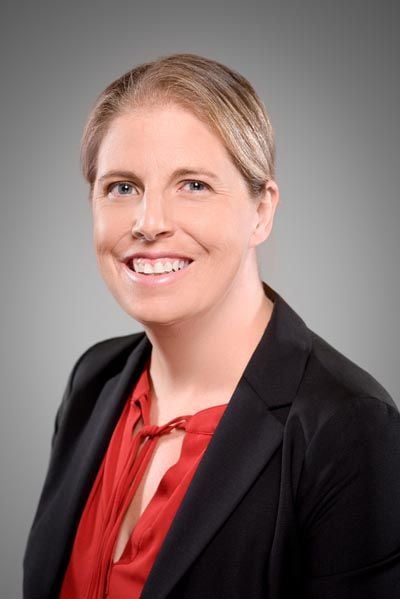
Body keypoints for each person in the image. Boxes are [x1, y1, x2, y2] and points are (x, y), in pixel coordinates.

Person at [23, 53, 400, 599]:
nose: (148, 223)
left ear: (261, 211)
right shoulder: (94, 378)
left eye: (193, 185)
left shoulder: (351, 430)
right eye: (122, 187)